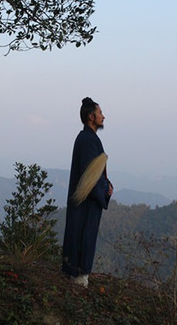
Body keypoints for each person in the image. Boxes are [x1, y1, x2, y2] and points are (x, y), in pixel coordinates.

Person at [62, 97, 113, 287]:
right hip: (87, 201)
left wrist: (104, 185)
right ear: (91, 117)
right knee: (83, 234)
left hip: (87, 199)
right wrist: (105, 190)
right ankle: (78, 274)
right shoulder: (87, 141)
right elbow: (89, 176)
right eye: (100, 114)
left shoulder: (87, 139)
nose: (103, 117)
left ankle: (76, 272)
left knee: (80, 232)